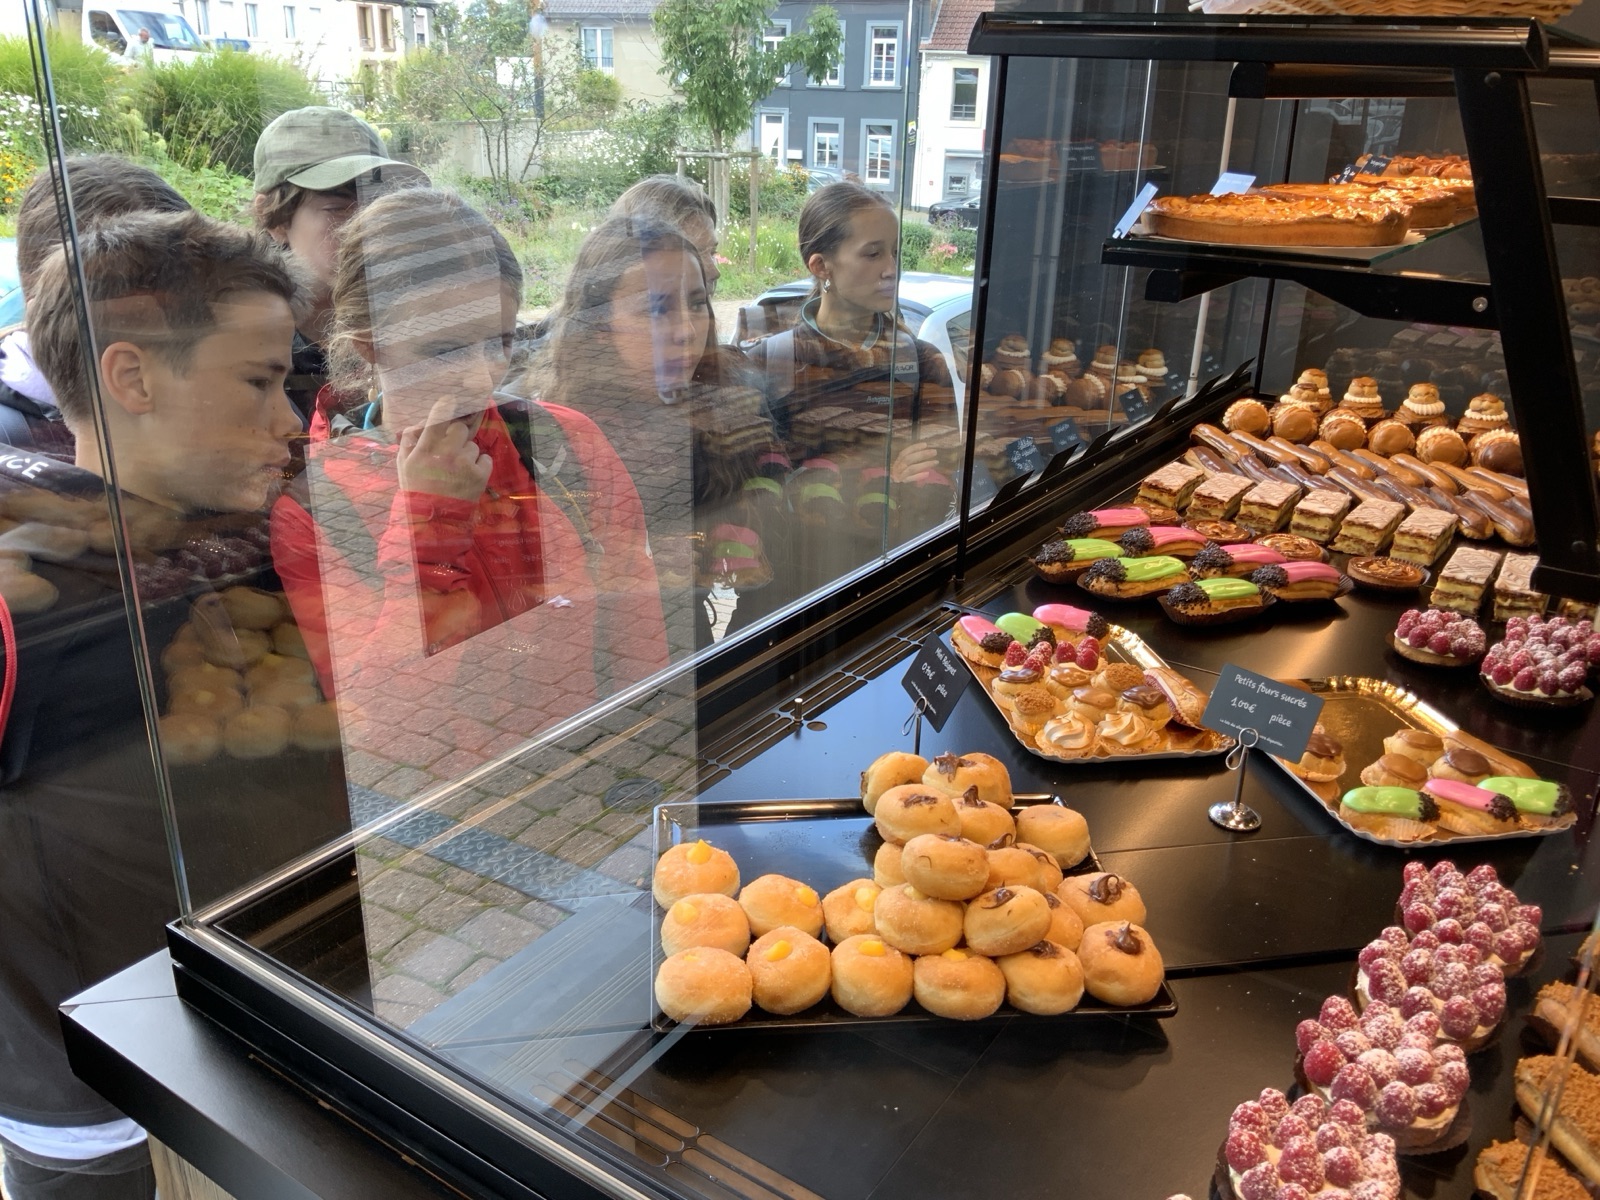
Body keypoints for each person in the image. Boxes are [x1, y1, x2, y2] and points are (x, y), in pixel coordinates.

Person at [11, 209, 306, 1200]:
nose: (291, 421)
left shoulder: (234, 541)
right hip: (101, 1103)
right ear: (132, 378)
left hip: (259, 1038)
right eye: (259, 382)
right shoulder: (30, 597)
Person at [271, 189, 667, 778]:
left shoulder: (564, 443)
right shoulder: (320, 509)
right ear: (369, 344)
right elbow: (377, 724)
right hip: (441, 806)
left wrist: (650, 755)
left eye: (499, 341)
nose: (480, 375)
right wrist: (428, 527)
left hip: (586, 774)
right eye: (445, 348)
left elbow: (636, 630)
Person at [524, 212, 776, 651]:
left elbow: (776, 511)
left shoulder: (728, 401)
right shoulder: (557, 437)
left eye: (697, 303)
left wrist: (753, 528)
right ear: (598, 326)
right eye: (656, 309)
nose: (686, 330)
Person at [732, 181, 958, 630]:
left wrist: (930, 471)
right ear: (821, 266)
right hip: (784, 604)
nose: (891, 269)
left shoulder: (921, 363)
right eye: (872, 254)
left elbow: (941, 486)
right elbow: (744, 495)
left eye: (894, 252)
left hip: (889, 591)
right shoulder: (766, 363)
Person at [0, 155, 190, 455]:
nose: (175, 325)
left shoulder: (179, 404)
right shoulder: (14, 447)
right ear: (47, 306)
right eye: (135, 299)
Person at [252, 106, 427, 426]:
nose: (365, 226)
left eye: (377, 204)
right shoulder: (248, 341)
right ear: (272, 219)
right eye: (338, 209)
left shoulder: (414, 317)